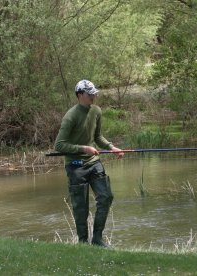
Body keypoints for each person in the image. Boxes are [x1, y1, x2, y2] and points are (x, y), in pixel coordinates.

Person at [55, 79, 124, 247]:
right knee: (81, 207)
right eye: (90, 93)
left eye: (94, 93)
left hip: (94, 163)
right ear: (80, 95)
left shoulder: (96, 111)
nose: (94, 96)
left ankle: (98, 239)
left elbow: (98, 137)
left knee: (106, 197)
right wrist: (83, 148)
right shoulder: (70, 116)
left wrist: (111, 147)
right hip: (75, 165)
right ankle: (83, 243)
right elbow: (59, 145)